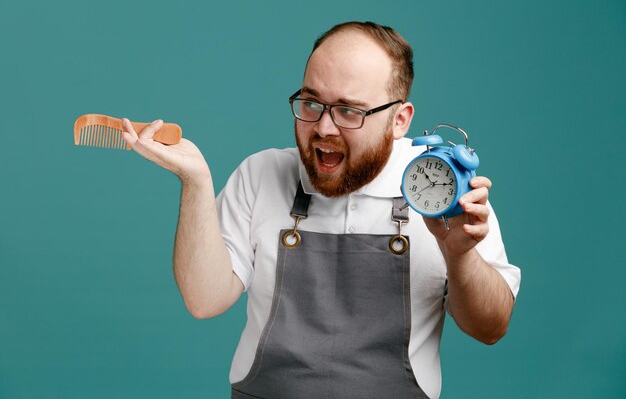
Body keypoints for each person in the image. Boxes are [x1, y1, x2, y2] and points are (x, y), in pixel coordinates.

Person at [121, 21, 521, 399]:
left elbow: (490, 327)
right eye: (312, 102)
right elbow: (204, 301)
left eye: (350, 111)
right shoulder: (261, 175)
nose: (324, 128)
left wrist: (459, 254)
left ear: (399, 119)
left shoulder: (442, 191)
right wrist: (196, 183)